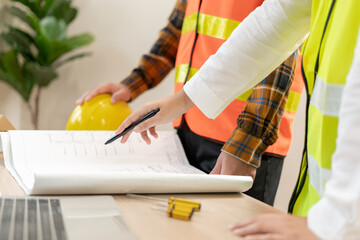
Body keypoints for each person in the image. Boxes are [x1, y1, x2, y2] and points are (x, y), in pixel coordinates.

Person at [115, 0, 360, 238]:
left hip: (240, 142)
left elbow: (281, 55)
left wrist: (246, 143)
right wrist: (176, 98)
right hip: (192, 126)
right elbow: (276, 22)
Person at [77, 0, 304, 206]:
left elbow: (281, 44)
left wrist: (246, 143)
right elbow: (179, 28)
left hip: (240, 143)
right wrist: (133, 84)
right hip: (188, 131)